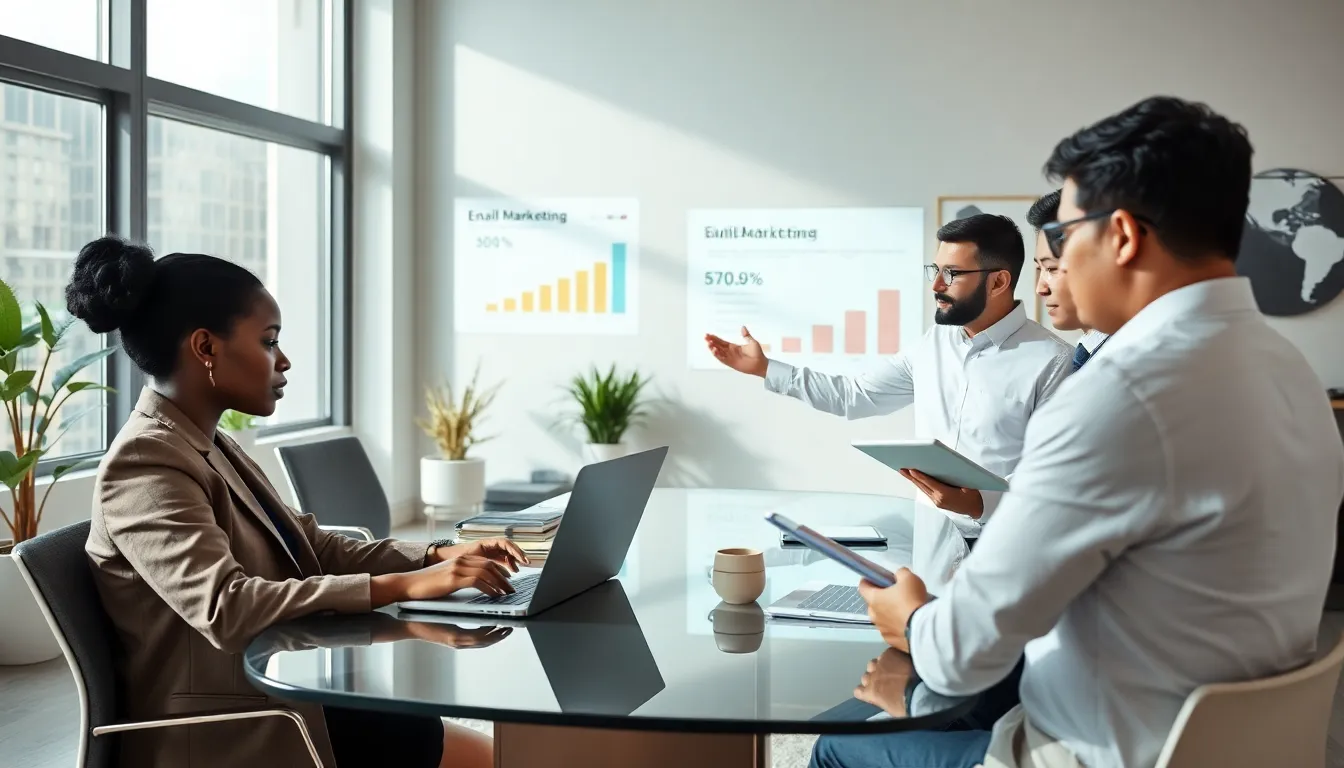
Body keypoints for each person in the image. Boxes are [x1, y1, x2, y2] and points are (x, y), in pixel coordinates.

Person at [816, 96, 1344, 768]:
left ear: (1121, 236)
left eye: (1065, 237)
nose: (1053, 272)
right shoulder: (1288, 370)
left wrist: (912, 618)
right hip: (1243, 746)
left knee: (839, 745)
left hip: (1101, 753)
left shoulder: (1116, 395)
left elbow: (957, 657)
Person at [67, 237, 527, 768]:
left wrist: (433, 557)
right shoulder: (145, 463)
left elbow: (311, 545)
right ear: (205, 348)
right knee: (445, 740)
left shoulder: (207, 441)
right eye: (268, 342)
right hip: (233, 729)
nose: (283, 361)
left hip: (285, 692)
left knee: (475, 743)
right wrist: (404, 586)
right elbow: (228, 608)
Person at [706, 214, 1072, 540]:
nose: (936, 286)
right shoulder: (933, 345)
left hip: (1010, 548)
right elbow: (855, 395)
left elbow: (1054, 474)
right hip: (934, 543)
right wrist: (765, 368)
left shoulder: (1052, 361)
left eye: (953, 274)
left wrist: (977, 503)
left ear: (998, 282)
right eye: (936, 270)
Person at [1027, 189, 1109, 369]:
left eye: (1051, 268)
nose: (1041, 288)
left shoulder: (1120, 361)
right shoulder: (1087, 353)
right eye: (1039, 269)